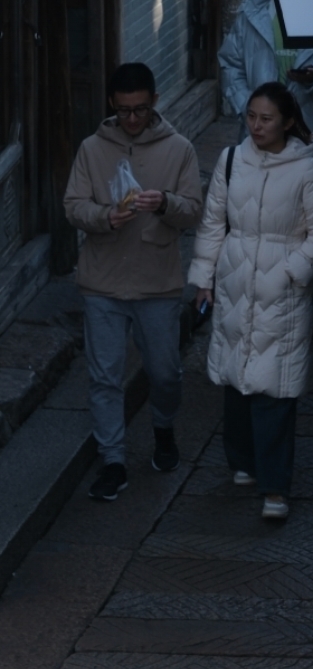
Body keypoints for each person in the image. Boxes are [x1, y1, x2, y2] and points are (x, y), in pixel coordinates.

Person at [188, 81, 313, 523]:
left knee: (275, 386)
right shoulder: (231, 160)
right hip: (236, 282)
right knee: (236, 379)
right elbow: (214, 221)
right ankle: (242, 462)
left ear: (288, 122)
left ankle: (275, 485)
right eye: (251, 116)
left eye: (266, 118)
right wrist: (203, 279)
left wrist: (293, 271)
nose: (256, 125)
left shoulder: (306, 171)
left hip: (281, 290)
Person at [63, 62, 204, 501]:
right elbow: (73, 205)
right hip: (102, 281)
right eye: (124, 111)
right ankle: (113, 461)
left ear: (155, 103)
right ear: (112, 106)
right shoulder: (92, 148)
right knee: (104, 376)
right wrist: (105, 217)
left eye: (141, 109)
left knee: (164, 372)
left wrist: (163, 202)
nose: (132, 119)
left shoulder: (178, 148)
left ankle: (163, 428)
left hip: (156, 281)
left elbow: (194, 210)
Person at [219, 0, 313, 220]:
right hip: (259, 143)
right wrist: (248, 109)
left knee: (310, 222)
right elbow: (230, 64)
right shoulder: (253, 13)